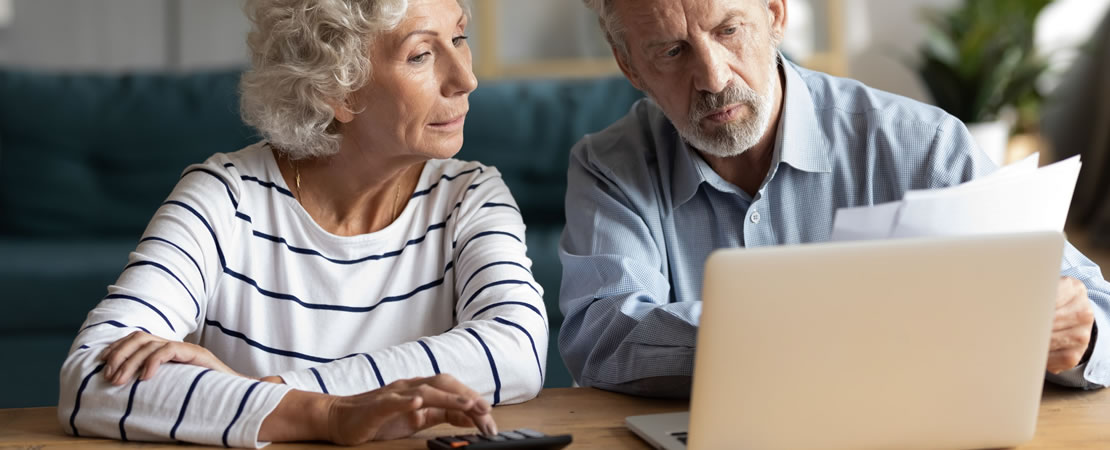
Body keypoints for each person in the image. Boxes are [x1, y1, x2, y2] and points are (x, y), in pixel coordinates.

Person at [559, 0, 1109, 398]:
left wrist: (1077, 335)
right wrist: (826, 329)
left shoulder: (923, 145)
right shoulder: (609, 167)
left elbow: (1094, 308)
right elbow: (603, 336)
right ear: (629, 63)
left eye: (729, 30)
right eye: (672, 51)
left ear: (775, 12)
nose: (712, 76)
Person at [58, 0, 548, 446]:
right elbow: (89, 380)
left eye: (459, 38)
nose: (465, 78)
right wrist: (327, 415)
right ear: (336, 89)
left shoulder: (471, 195)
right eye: (420, 55)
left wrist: (260, 394)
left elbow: (516, 349)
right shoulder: (224, 196)